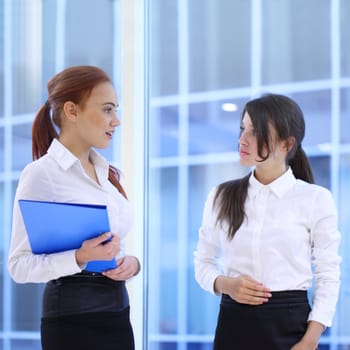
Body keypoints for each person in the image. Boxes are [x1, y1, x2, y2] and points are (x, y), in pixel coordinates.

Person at [194, 93, 341, 350]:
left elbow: (329, 275)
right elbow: (203, 262)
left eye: (256, 131)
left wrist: (310, 340)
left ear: (286, 144)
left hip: (292, 329)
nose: (242, 139)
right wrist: (226, 284)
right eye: (243, 128)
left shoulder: (315, 199)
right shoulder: (221, 195)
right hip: (233, 325)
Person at [8, 65, 140, 350]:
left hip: (118, 315)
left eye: (116, 110)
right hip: (73, 321)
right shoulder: (41, 174)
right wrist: (79, 257)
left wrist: (131, 264)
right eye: (107, 110)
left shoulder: (109, 175)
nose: (115, 121)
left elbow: (116, 244)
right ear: (72, 111)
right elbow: (18, 266)